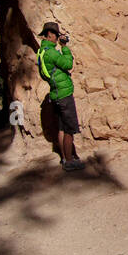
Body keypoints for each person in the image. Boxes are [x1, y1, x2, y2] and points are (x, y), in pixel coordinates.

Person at [37, 21, 85, 171]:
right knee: (69, 129)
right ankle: (70, 161)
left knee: (61, 128)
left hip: (55, 93)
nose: (57, 38)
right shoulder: (51, 52)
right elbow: (67, 64)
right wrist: (65, 48)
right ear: (49, 35)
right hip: (64, 93)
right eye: (56, 36)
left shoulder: (42, 51)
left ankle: (64, 158)